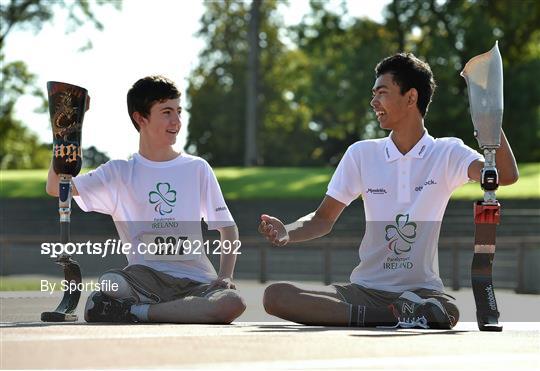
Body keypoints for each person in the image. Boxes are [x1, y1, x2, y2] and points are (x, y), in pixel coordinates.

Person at [258, 53, 519, 329]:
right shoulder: (361, 154)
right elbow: (322, 219)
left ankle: (398, 314)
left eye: (382, 93)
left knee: (448, 309)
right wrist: (288, 230)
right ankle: (399, 317)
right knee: (276, 296)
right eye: (373, 94)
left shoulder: (447, 152)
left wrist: (489, 117)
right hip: (364, 291)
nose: (374, 102)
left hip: (421, 292)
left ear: (411, 97)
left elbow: (504, 176)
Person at [46, 75, 246, 323]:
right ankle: (162, 308)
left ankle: (132, 312)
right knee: (112, 283)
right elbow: (57, 187)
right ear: (141, 118)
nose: (177, 121)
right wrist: (66, 132)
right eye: (166, 112)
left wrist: (226, 276)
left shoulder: (197, 168)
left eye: (178, 112)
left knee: (232, 303)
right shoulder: (119, 172)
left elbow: (227, 228)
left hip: (198, 283)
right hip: (143, 280)